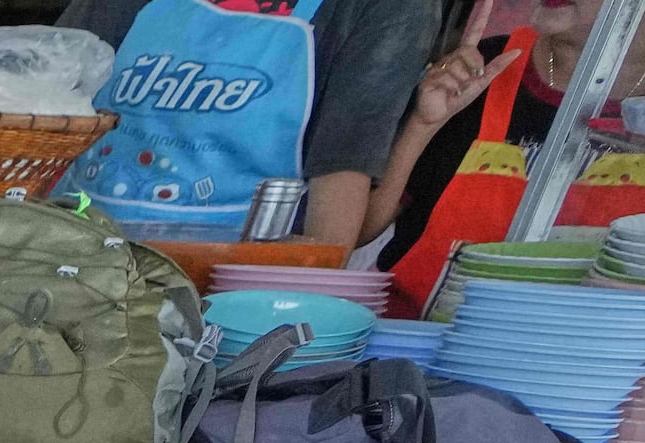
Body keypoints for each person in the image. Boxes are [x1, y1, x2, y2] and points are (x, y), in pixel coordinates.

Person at [59, 0, 437, 248]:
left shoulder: (388, 7)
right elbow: (41, 98)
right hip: (67, 249)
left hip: (227, 290)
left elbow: (335, 214)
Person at [375, 0, 645, 310]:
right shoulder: (477, 69)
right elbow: (363, 228)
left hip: (598, 352)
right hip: (416, 346)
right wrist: (422, 126)